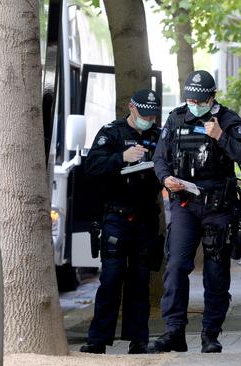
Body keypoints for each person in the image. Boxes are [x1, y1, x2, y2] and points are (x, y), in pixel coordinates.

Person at [150, 70, 241, 353]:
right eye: (190, 99)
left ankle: (211, 333)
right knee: (175, 266)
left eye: (200, 100)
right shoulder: (175, 118)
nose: (194, 104)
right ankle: (174, 331)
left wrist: (221, 136)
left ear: (212, 97)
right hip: (185, 202)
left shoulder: (229, 120)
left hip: (218, 207)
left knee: (216, 270)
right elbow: (160, 157)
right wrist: (165, 179)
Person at [78, 89, 163, 355]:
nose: (148, 119)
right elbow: (92, 167)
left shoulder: (158, 136)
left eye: (152, 115)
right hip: (116, 216)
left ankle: (138, 339)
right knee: (112, 278)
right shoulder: (111, 133)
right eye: (144, 114)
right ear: (131, 108)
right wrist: (121, 159)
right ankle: (98, 339)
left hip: (146, 217)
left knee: (140, 281)